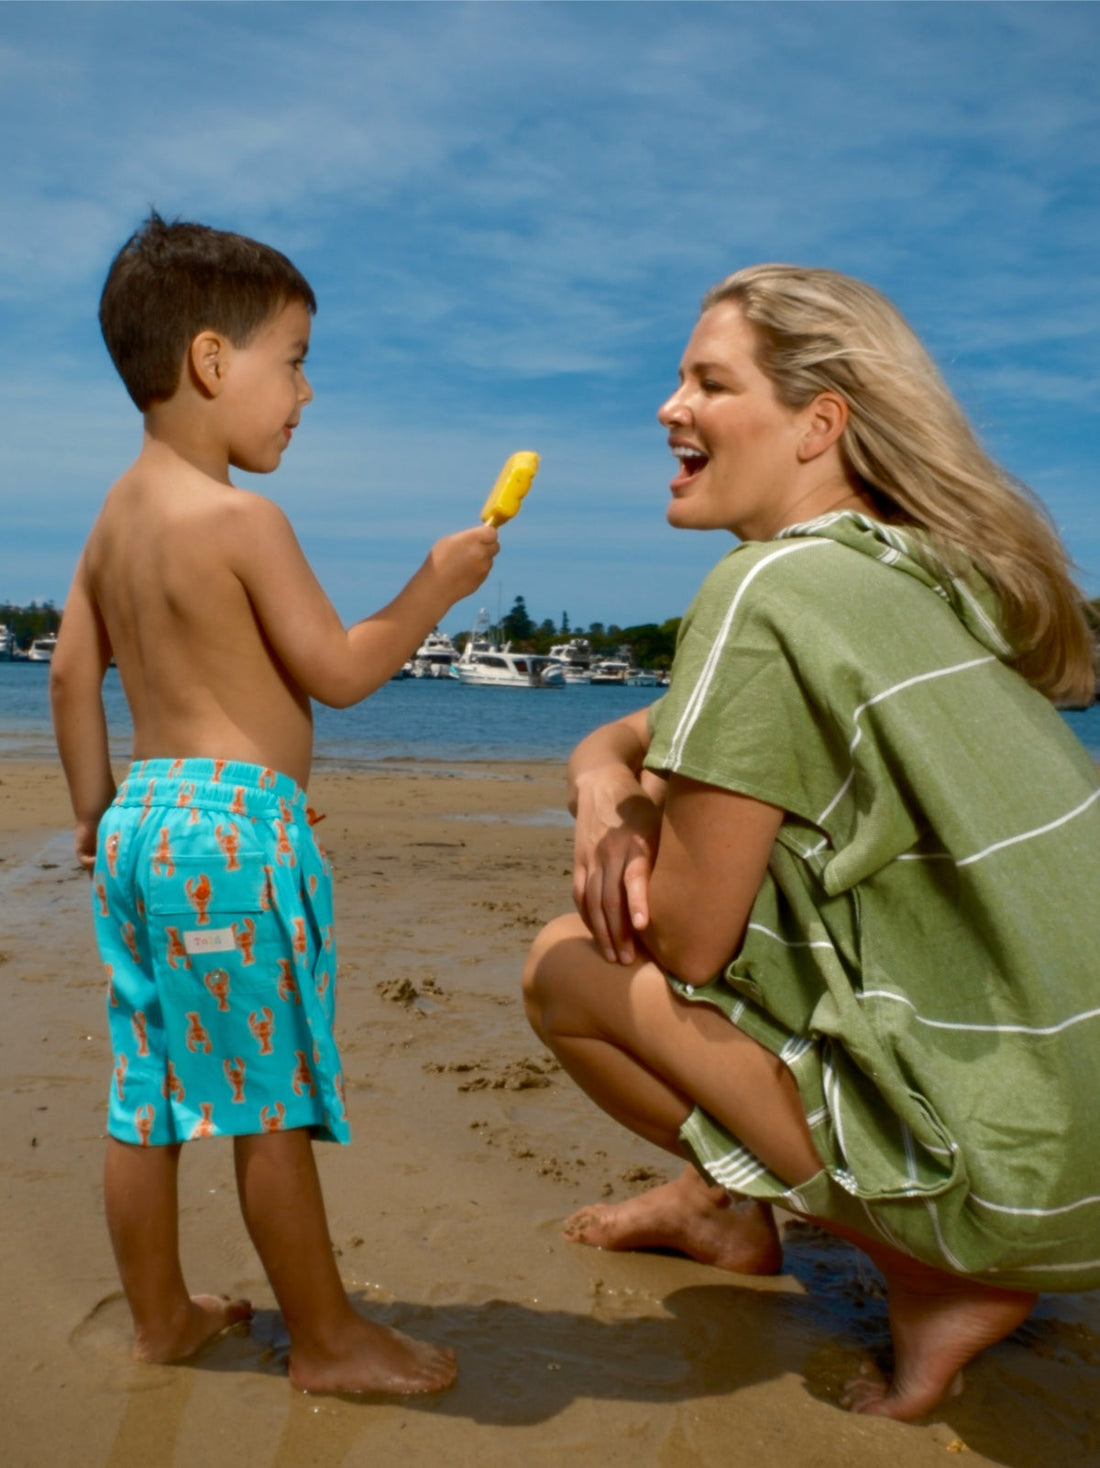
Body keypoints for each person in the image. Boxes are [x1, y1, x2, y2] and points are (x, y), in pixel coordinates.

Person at [522, 264, 1100, 1422]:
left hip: (1014, 1191)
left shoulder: (764, 591)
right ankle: (716, 1202)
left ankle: (931, 1277)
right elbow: (646, 729)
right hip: (1077, 1134)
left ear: (816, 424)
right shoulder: (921, 567)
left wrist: (628, 818)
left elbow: (686, 942)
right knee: (783, 878)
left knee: (566, 964)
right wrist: (599, 773)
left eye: (707, 382)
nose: (667, 407)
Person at [50, 212, 500, 1395]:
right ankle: (328, 1339)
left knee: (147, 1086)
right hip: (230, 840)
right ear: (211, 360)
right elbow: (339, 671)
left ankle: (162, 1317)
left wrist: (99, 814)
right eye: (294, 361)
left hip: (145, 825)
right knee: (267, 1095)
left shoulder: (112, 521)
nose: (305, 392)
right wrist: (434, 586)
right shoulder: (243, 521)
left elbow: (69, 676)